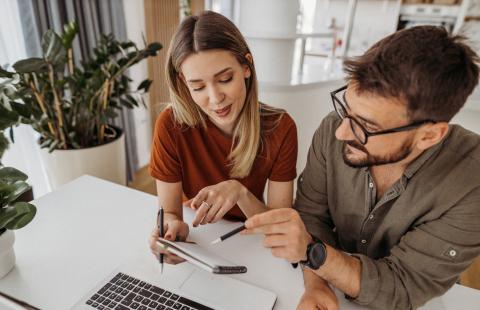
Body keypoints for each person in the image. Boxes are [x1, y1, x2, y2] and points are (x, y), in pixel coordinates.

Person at [242, 25, 480, 309]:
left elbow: (403, 286)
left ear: (429, 135)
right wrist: (317, 283)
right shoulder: (335, 128)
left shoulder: (471, 183)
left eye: (366, 126)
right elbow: (311, 214)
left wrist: (313, 252)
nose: (342, 133)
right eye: (347, 108)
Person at [148, 11, 298, 264]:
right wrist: (173, 231)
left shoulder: (280, 128)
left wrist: (239, 192)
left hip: (251, 241)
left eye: (225, 79)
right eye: (198, 87)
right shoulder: (170, 125)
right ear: (183, 84)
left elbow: (280, 225)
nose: (216, 98)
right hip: (200, 239)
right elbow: (171, 212)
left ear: (246, 67)